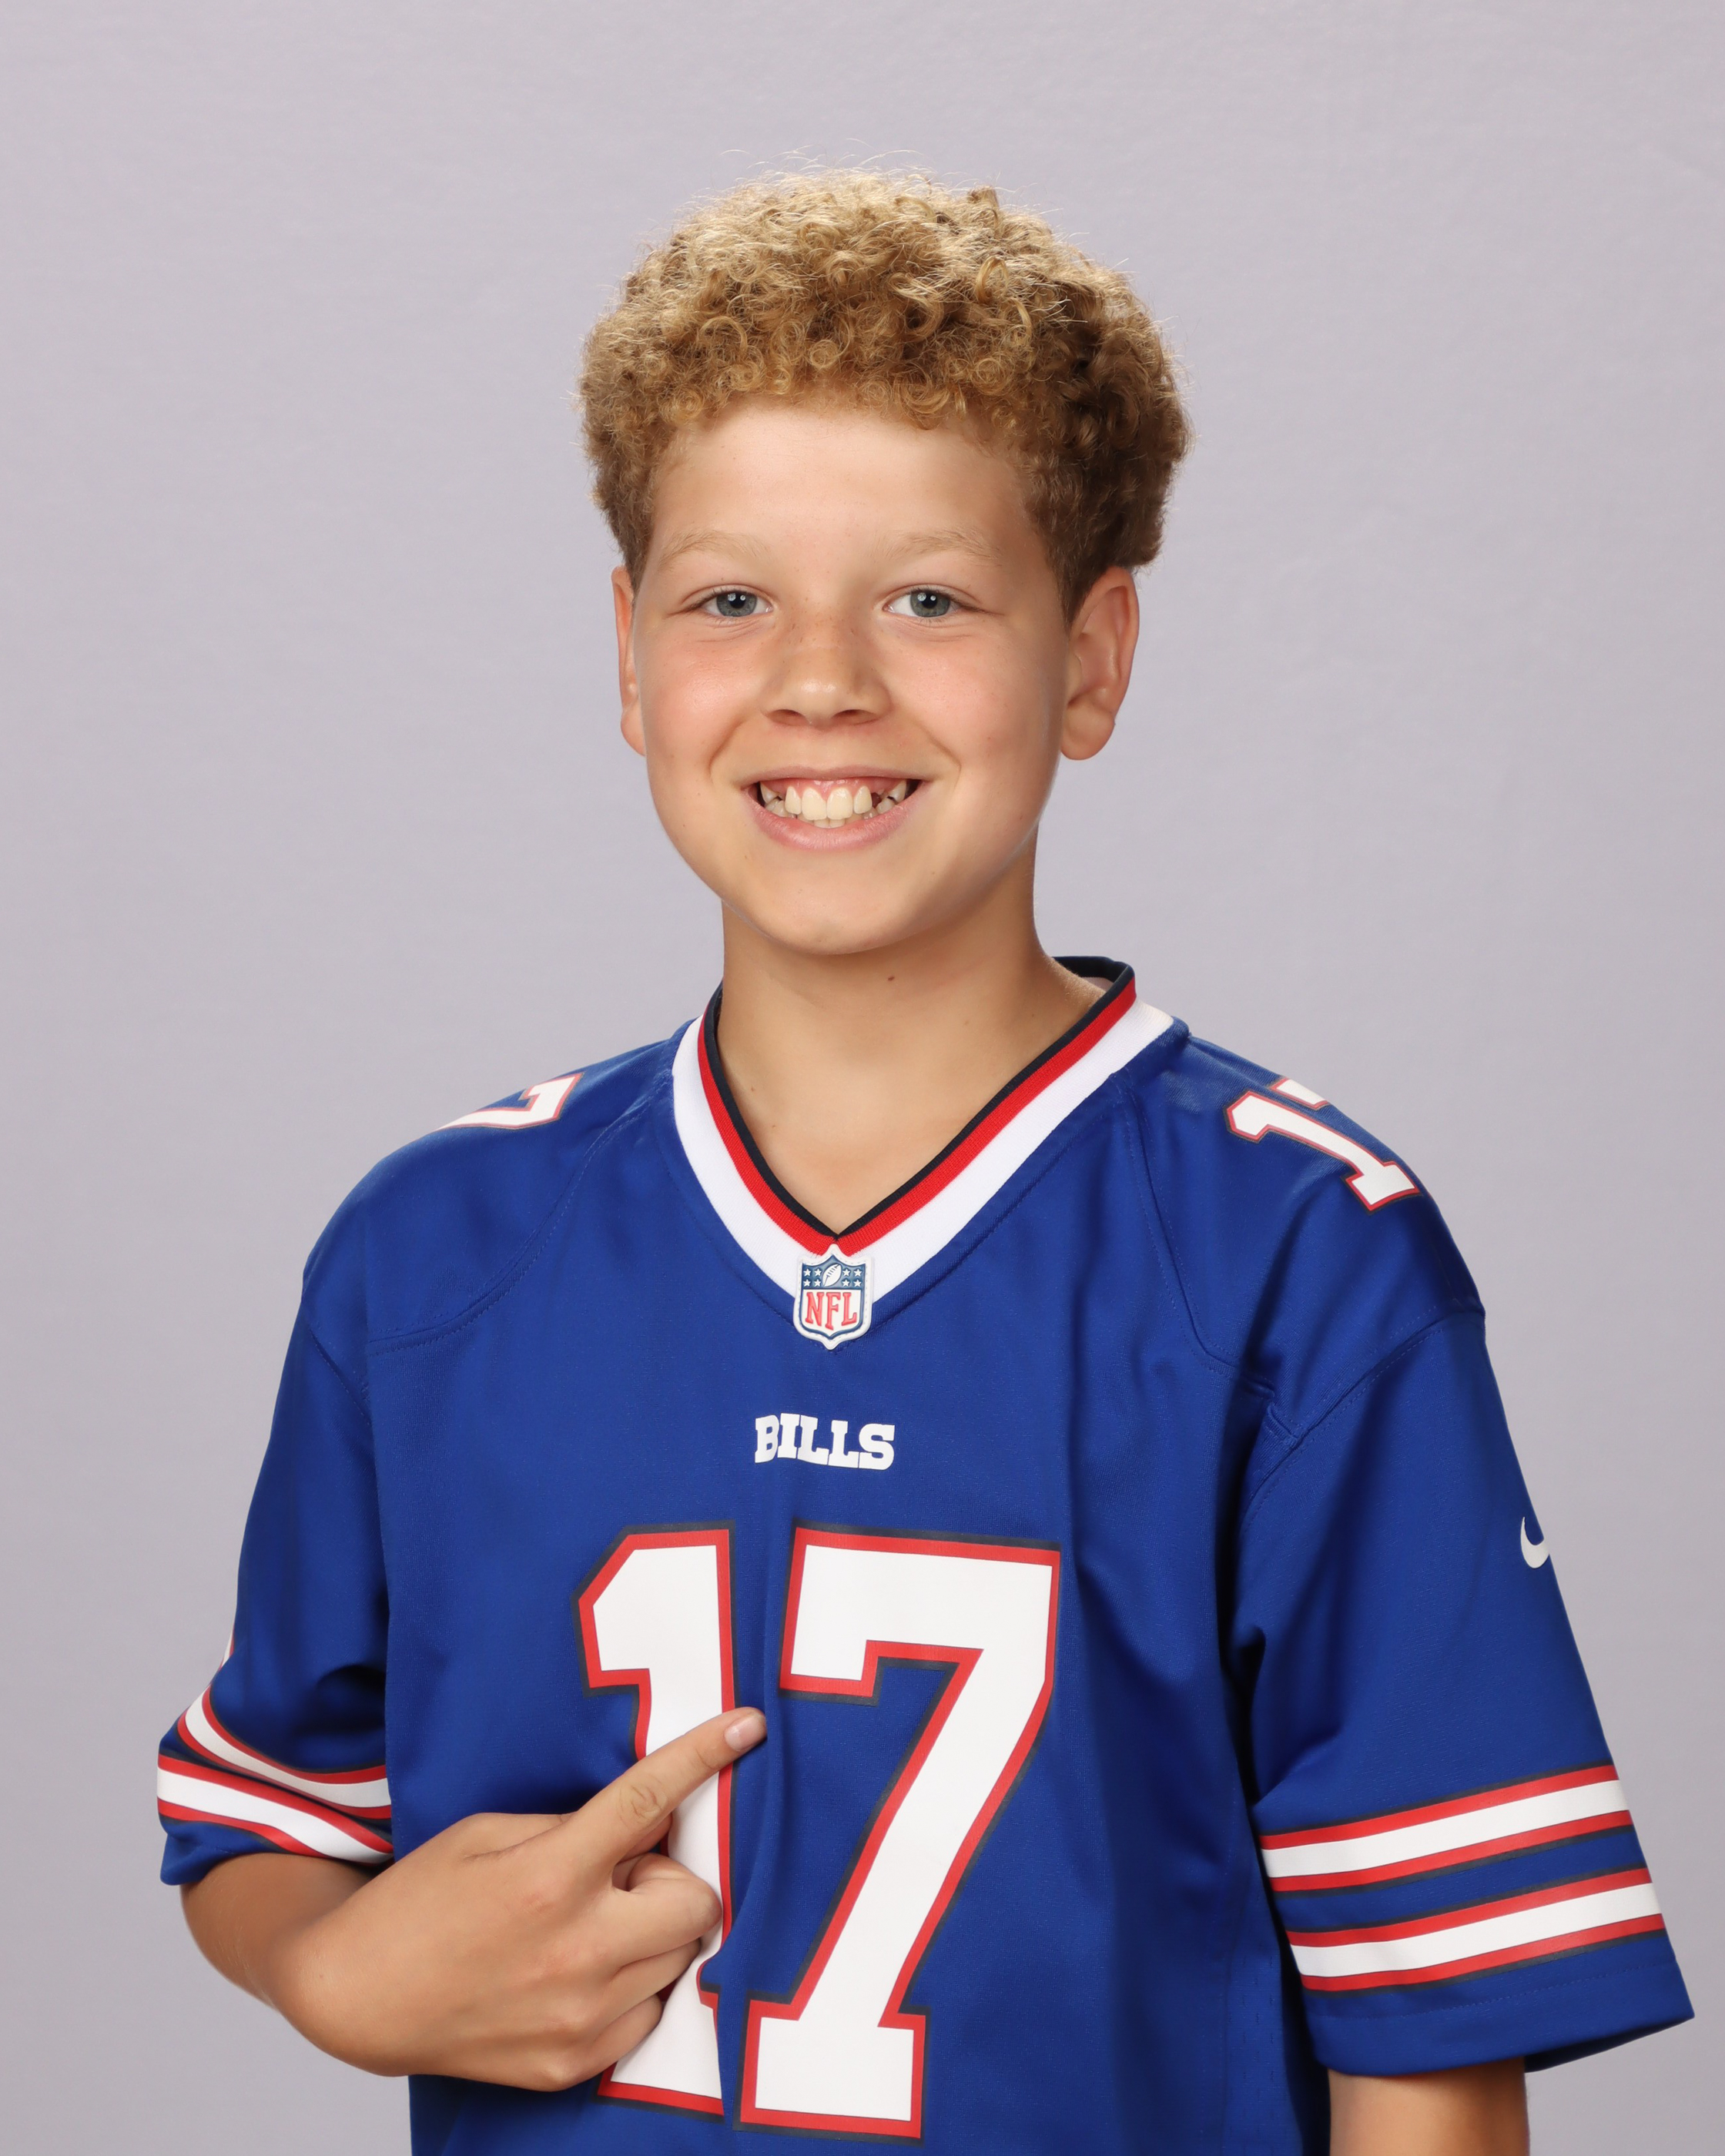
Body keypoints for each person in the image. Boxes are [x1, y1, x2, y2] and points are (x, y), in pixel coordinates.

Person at [158, 173, 1690, 2154]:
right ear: (628, 656)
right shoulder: (437, 1247)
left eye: (929, 599)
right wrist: (332, 1971)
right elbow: (268, 1812)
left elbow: (1430, 2033)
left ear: (1091, 657)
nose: (820, 680)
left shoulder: (1295, 1255)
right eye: (730, 600)